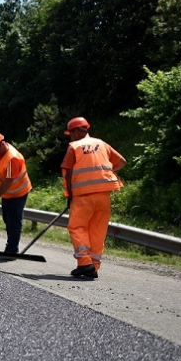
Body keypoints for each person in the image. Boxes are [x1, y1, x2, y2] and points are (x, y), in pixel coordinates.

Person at [61, 117, 126, 279]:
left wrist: (69, 195)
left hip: (83, 196)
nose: (70, 137)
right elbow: (122, 162)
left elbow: (67, 172)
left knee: (76, 227)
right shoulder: (102, 144)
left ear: (76, 131)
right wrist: (107, 173)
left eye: (70, 133)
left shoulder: (74, 147)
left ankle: (84, 262)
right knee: (97, 231)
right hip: (104, 196)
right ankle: (93, 267)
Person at [0, 131, 32, 255]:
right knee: (7, 219)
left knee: (14, 221)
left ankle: (12, 249)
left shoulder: (12, 158)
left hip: (18, 193)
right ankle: (11, 245)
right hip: (6, 193)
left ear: (1, 144)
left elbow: (8, 182)